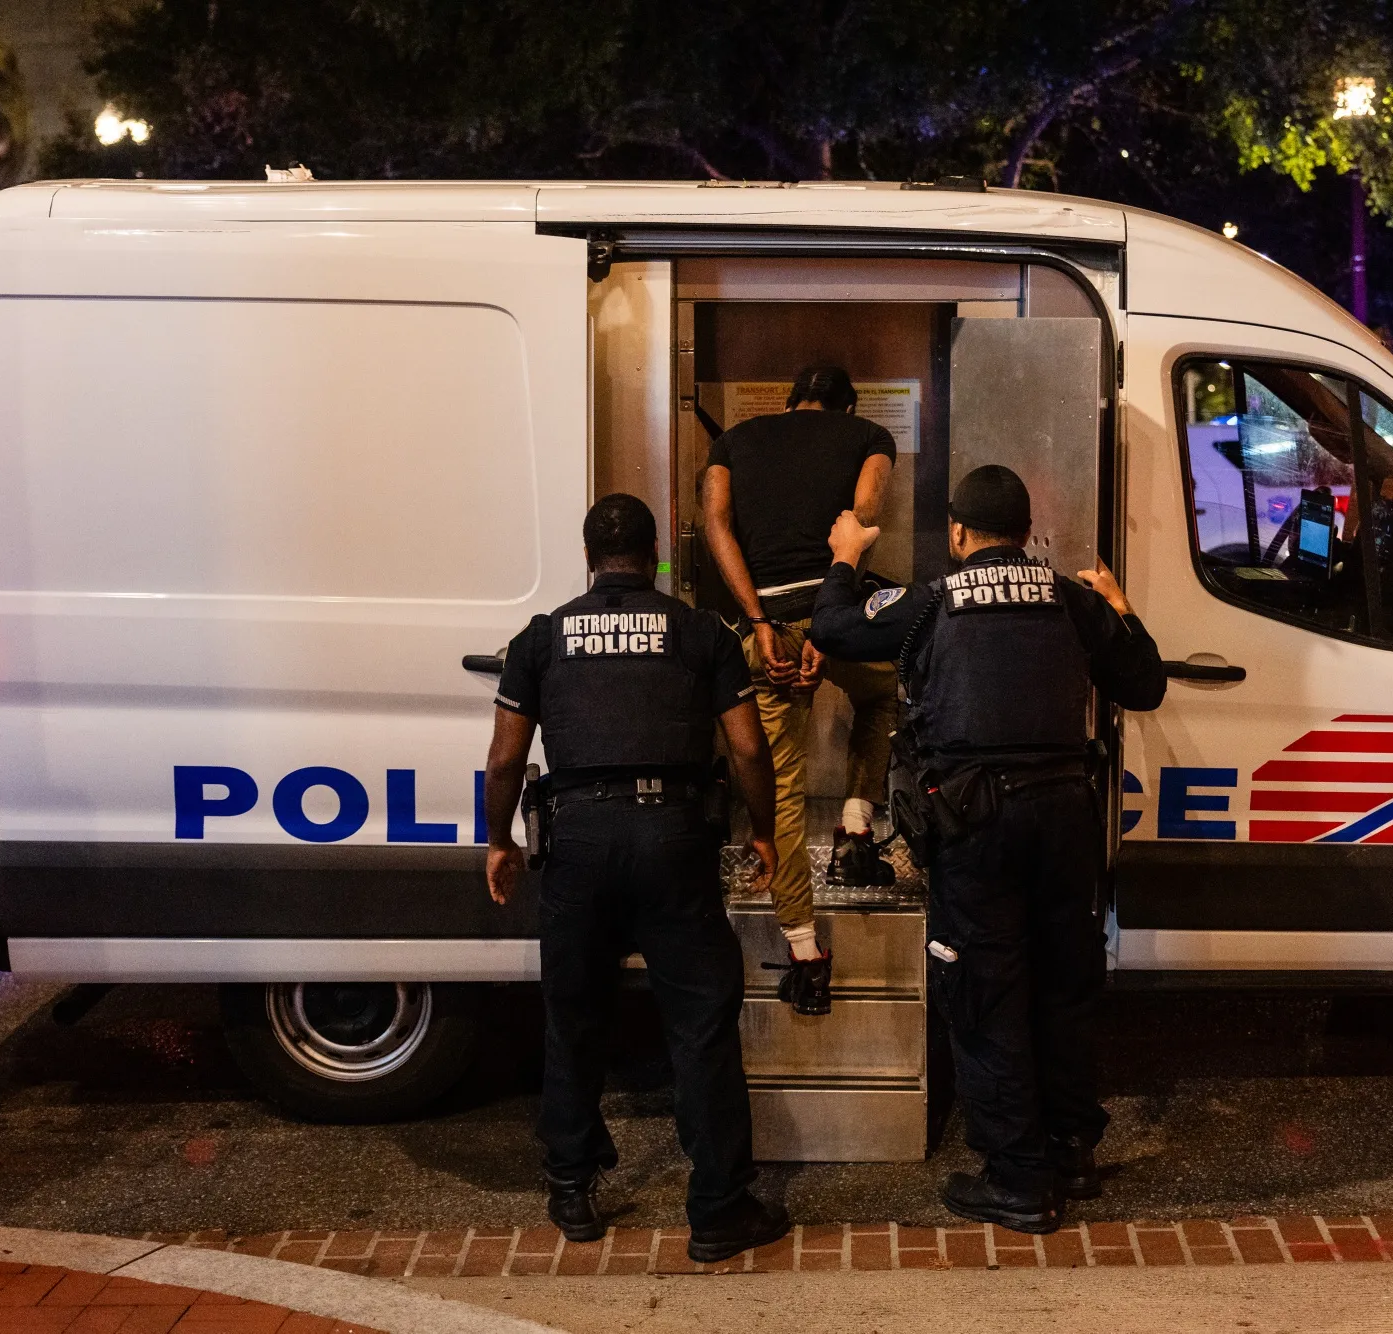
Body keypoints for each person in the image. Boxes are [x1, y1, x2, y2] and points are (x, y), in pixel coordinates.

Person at [809, 465, 1167, 1234]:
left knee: (986, 992)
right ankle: (1071, 1149)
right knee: (1065, 982)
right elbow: (1144, 684)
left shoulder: (931, 603)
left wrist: (845, 557)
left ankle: (1019, 1181)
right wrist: (1119, 607)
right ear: (1026, 533)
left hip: (976, 823)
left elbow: (832, 628)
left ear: (959, 535)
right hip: (1066, 815)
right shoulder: (1069, 600)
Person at [484, 493, 791, 1265]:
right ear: (655, 556)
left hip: (579, 839)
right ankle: (719, 1207)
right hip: (673, 839)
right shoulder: (698, 632)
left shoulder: (542, 638)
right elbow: (750, 750)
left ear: (589, 557)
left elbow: (506, 758)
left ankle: (571, 1188)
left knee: (574, 1016)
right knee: (700, 1024)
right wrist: (762, 829)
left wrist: (498, 840)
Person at [702, 365, 903, 1015]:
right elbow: (865, 518)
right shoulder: (868, 434)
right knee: (885, 694)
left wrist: (760, 620)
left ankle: (804, 952)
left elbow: (715, 524)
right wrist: (830, 618)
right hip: (835, 616)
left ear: (790, 402)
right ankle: (854, 827)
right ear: (846, 405)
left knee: (778, 783)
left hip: (765, 627)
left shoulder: (735, 440)